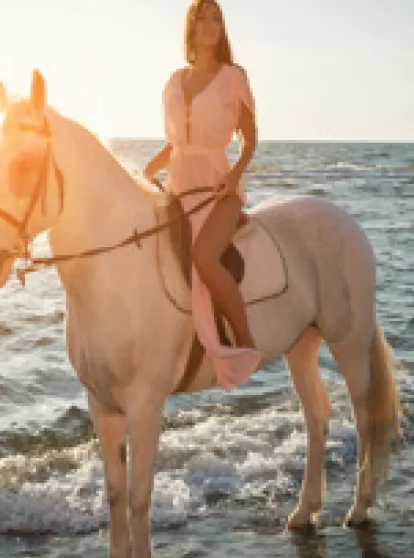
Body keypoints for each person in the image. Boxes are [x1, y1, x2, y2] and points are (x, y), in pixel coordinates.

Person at [143, 0, 260, 389]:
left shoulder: (233, 77)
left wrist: (234, 177)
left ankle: (245, 341)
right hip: (180, 186)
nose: (209, 25)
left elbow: (250, 140)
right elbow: (175, 142)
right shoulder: (173, 82)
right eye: (201, 18)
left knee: (204, 256)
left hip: (219, 187)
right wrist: (148, 169)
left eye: (216, 19)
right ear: (190, 28)